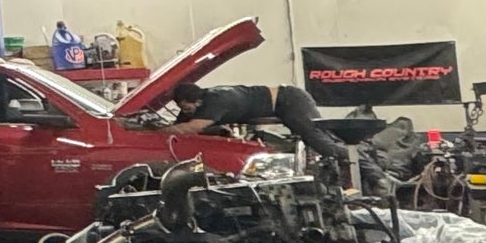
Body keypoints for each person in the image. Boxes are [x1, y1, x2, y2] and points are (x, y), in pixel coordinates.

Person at [144, 79, 352, 180]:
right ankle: (354, 157)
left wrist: (159, 132)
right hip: (283, 101)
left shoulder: (215, 101)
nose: (184, 112)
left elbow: (191, 128)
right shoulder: (199, 104)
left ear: (194, 101)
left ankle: (358, 162)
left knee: (316, 139)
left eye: (184, 107)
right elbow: (183, 125)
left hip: (288, 100)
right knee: (321, 137)